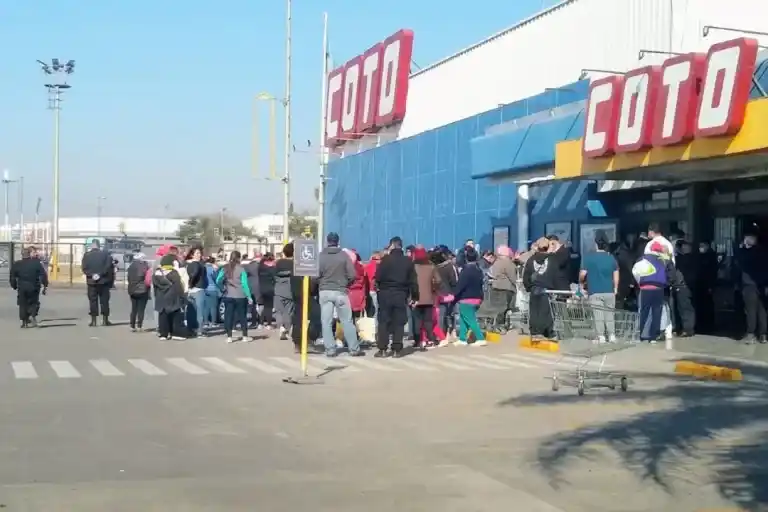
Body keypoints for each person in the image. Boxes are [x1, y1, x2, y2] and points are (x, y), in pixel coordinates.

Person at [318, 233, 363, 357]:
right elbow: (353, 275)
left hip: (325, 291)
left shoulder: (321, 256)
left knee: (326, 322)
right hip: (341, 291)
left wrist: (320, 284)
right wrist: (346, 284)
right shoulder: (344, 256)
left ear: (327, 241)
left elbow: (315, 275)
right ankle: (354, 348)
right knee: (347, 321)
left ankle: (330, 350)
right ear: (338, 241)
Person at [374, 236, 418, 357]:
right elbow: (413, 281)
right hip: (400, 293)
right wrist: (415, 297)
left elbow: (377, 277)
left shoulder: (385, 260)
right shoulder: (407, 261)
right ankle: (396, 349)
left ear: (392, 245)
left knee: (383, 321)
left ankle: (382, 349)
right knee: (399, 322)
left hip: (385, 293)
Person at [579, 231, 619, 343]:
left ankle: (601, 336)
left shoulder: (589, 258)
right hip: (609, 290)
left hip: (595, 290)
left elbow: (582, 274)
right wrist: (615, 288)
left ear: (595, 243)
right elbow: (616, 275)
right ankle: (611, 335)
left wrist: (581, 283)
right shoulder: (611, 257)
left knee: (598, 314)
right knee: (610, 313)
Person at [733, 232, 768, 344]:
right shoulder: (763, 251)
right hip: (761, 284)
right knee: (761, 310)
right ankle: (763, 334)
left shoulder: (747, 252)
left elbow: (740, 261)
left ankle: (751, 334)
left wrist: (742, 247)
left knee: (751, 310)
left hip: (750, 285)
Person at [632, 242, 670, 343]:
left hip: (646, 288)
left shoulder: (642, 259)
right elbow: (668, 273)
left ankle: (640, 335)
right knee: (656, 312)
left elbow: (635, 271)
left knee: (644, 311)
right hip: (659, 288)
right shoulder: (663, 260)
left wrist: (640, 282)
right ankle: (653, 337)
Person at [216, 250, 254, 343]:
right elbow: (244, 284)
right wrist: (249, 296)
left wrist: (223, 288)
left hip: (228, 295)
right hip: (240, 296)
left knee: (228, 315)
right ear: (238, 258)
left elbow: (218, 280)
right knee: (242, 316)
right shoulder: (241, 269)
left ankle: (229, 337)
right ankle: (244, 336)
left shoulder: (225, 268)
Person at [453, 247, 487, 346]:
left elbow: (460, 285)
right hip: (477, 298)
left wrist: (454, 296)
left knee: (470, 319)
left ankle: (480, 338)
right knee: (464, 318)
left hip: (466, 298)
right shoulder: (478, 270)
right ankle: (462, 338)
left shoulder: (465, 271)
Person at [523, 238, 555, 338]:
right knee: (546, 311)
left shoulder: (531, 259)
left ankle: (535, 331)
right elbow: (556, 274)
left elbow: (526, 275)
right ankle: (547, 331)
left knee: (534, 310)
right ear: (548, 247)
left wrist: (528, 287)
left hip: (534, 288)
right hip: (547, 288)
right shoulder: (552, 259)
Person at [9, 247, 49, 328]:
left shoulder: (17, 264)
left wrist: (14, 286)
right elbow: (43, 275)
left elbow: (12, 277)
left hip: (22, 286)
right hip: (34, 286)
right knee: (34, 302)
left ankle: (24, 321)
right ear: (29, 254)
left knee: (22, 303)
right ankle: (32, 314)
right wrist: (45, 285)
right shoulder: (36, 263)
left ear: (22, 255)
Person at [152, 254, 187, 340]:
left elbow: (155, 288)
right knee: (175, 316)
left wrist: (157, 296)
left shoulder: (156, 273)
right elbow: (178, 286)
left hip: (161, 298)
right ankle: (176, 333)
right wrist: (182, 296)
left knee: (163, 316)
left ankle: (163, 334)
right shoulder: (173, 273)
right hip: (173, 297)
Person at [412, 247, 440, 349]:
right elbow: (438, 281)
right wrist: (433, 288)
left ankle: (418, 341)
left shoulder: (412, 267)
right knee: (428, 321)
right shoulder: (431, 266)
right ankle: (431, 340)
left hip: (416, 298)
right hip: (428, 298)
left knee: (417, 321)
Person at [81, 239, 114, 327]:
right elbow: (108, 267)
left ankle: (93, 320)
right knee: (104, 301)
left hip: (91, 282)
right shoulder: (105, 255)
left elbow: (84, 268)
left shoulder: (86, 255)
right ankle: (105, 320)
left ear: (92, 245)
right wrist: (100, 274)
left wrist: (92, 275)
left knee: (92, 301)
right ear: (99, 246)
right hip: (103, 281)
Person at [672, 241, 697, 337]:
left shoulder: (688, 259)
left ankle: (688, 329)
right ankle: (682, 328)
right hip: (681, 285)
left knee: (686, 308)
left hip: (684, 286)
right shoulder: (680, 258)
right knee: (680, 308)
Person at [489, 245, 518, 326]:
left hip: (495, 287)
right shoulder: (507, 262)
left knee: (498, 308)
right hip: (506, 288)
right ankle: (501, 325)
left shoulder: (496, 262)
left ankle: (493, 324)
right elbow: (512, 276)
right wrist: (517, 284)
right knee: (504, 308)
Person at [274, 243, 295, 341]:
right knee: (289, 311)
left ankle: (281, 327)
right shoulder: (295, 263)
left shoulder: (278, 263)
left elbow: (274, 274)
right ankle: (287, 329)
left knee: (279, 311)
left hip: (278, 289)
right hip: (290, 290)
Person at [184, 246, 207, 337]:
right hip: (198, 289)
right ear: (192, 255)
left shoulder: (188, 265)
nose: (199, 255)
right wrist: (192, 284)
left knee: (191, 311)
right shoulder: (198, 264)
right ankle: (200, 331)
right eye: (197, 253)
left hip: (190, 291)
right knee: (199, 311)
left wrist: (189, 286)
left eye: (200, 253)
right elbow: (195, 274)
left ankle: (191, 329)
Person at [126, 252, 152, 332]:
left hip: (132, 290)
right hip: (143, 290)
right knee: (141, 309)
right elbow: (147, 279)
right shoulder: (145, 267)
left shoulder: (131, 266)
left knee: (134, 309)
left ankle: (132, 326)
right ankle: (139, 326)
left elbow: (129, 278)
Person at [257, 252, 277, 329]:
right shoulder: (272, 268)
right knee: (268, 307)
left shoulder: (260, 267)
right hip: (269, 289)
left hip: (261, 288)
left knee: (261, 306)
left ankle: (260, 323)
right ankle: (268, 324)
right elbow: (275, 279)